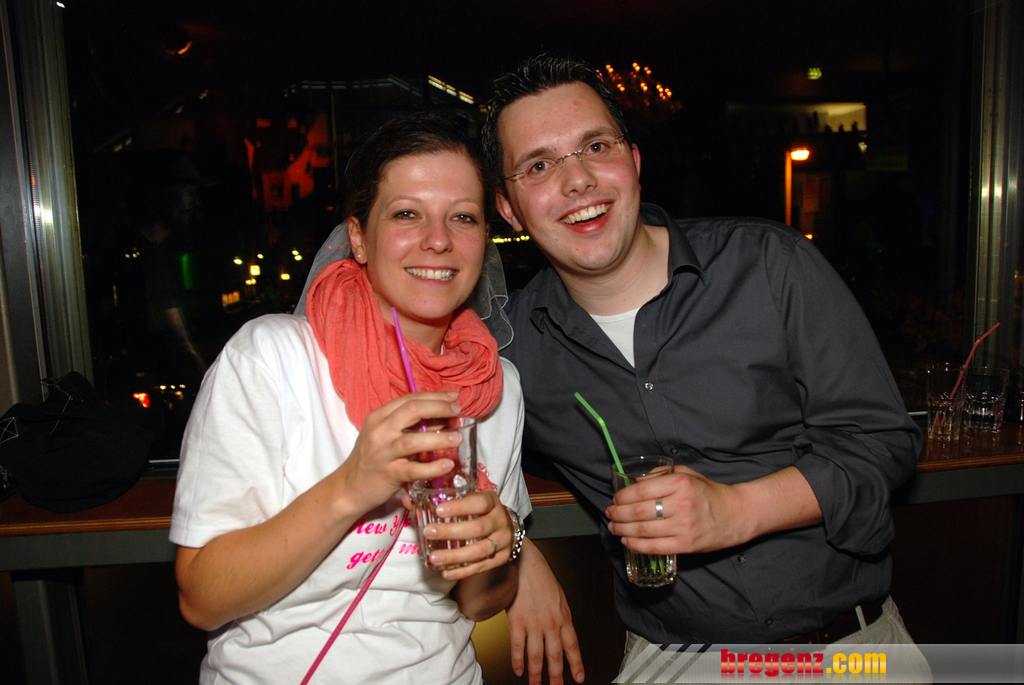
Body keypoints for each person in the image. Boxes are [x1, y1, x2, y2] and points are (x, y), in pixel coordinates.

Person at [482, 55, 929, 680]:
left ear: (634, 162)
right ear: (509, 209)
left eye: (596, 146)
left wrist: (739, 510)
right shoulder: (512, 353)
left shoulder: (769, 265)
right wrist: (520, 553)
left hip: (851, 651)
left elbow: (882, 443)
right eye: (539, 165)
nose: (577, 180)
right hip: (675, 658)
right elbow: (441, 453)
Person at [170, 113, 529, 684]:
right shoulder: (270, 359)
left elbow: (480, 602)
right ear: (358, 237)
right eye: (407, 213)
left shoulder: (497, 387)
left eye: (463, 217)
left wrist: (500, 546)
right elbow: (202, 599)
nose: (438, 239)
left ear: (485, 238)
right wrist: (350, 487)